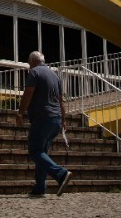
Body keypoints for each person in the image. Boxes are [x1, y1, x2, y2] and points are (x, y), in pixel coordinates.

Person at [15, 51, 74, 198]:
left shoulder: (34, 73)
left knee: (35, 151)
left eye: (29, 63)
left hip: (42, 118)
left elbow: (28, 94)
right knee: (42, 153)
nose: (29, 65)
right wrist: (63, 120)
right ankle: (40, 187)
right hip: (55, 120)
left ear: (32, 61)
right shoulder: (55, 76)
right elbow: (61, 101)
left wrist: (20, 113)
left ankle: (61, 174)